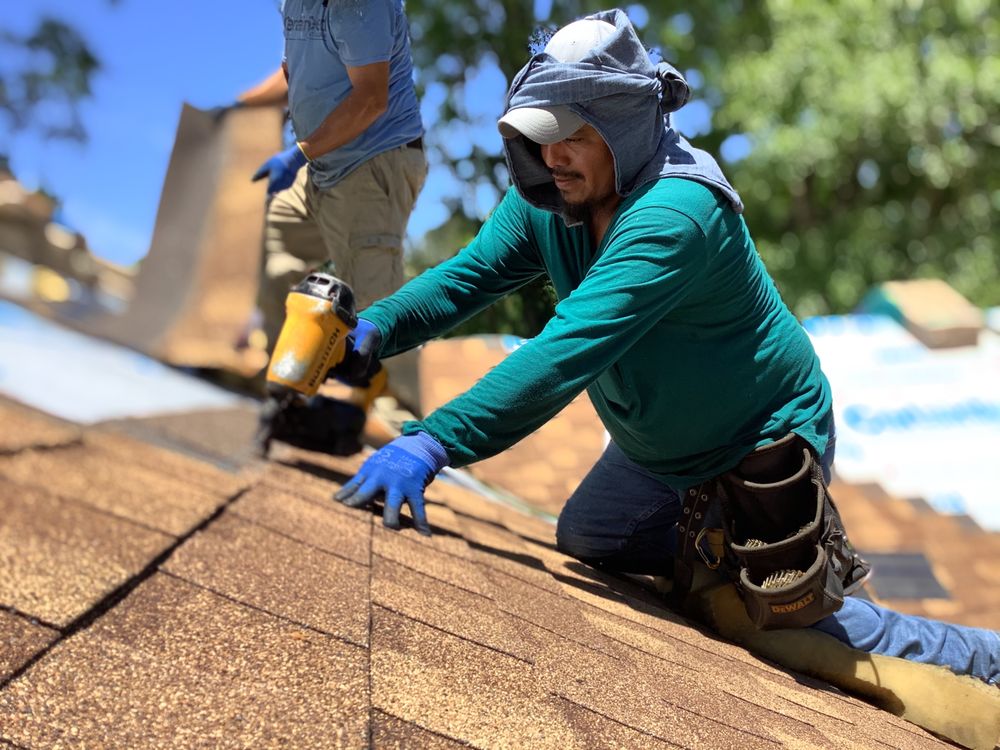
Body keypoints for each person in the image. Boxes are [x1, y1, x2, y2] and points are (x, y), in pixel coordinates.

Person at [331, 10, 1000, 685]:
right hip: (664, 455)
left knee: (817, 633)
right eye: (539, 137)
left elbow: (565, 352)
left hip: (756, 446)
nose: (551, 157)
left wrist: (434, 441)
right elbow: (467, 278)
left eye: (569, 139)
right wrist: (376, 328)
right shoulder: (554, 194)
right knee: (590, 538)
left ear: (621, 128)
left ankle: (987, 658)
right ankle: (711, 548)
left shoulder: (677, 212)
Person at [220, 0, 428, 446]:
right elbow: (293, 71)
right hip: (323, 164)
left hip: (375, 161)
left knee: (375, 295)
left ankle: (401, 425)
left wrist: (298, 152)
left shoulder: (360, 5)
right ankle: (290, 381)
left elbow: (371, 98)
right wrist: (240, 106)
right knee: (276, 246)